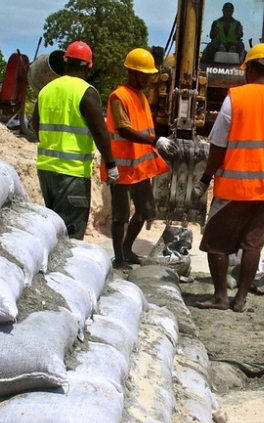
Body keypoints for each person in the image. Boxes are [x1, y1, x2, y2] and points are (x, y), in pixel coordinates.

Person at [192, 43, 264, 312]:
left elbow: (218, 143)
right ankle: (240, 299)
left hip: (234, 188)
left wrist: (205, 178)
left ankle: (220, 297)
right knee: (252, 245)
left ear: (250, 68)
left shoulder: (236, 97)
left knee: (217, 243)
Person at [30, 41, 118, 240]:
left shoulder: (46, 90)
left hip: (46, 171)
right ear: (89, 66)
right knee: (70, 237)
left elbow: (35, 124)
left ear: (65, 62)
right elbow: (100, 131)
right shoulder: (86, 92)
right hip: (72, 174)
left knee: (53, 231)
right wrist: (111, 165)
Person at [101, 48, 177, 270]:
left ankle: (127, 248)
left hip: (140, 168)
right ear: (132, 72)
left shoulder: (142, 96)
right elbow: (124, 130)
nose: (148, 78)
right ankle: (119, 259)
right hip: (122, 170)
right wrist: (155, 141)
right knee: (120, 217)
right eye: (144, 74)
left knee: (145, 211)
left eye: (149, 74)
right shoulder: (119, 96)